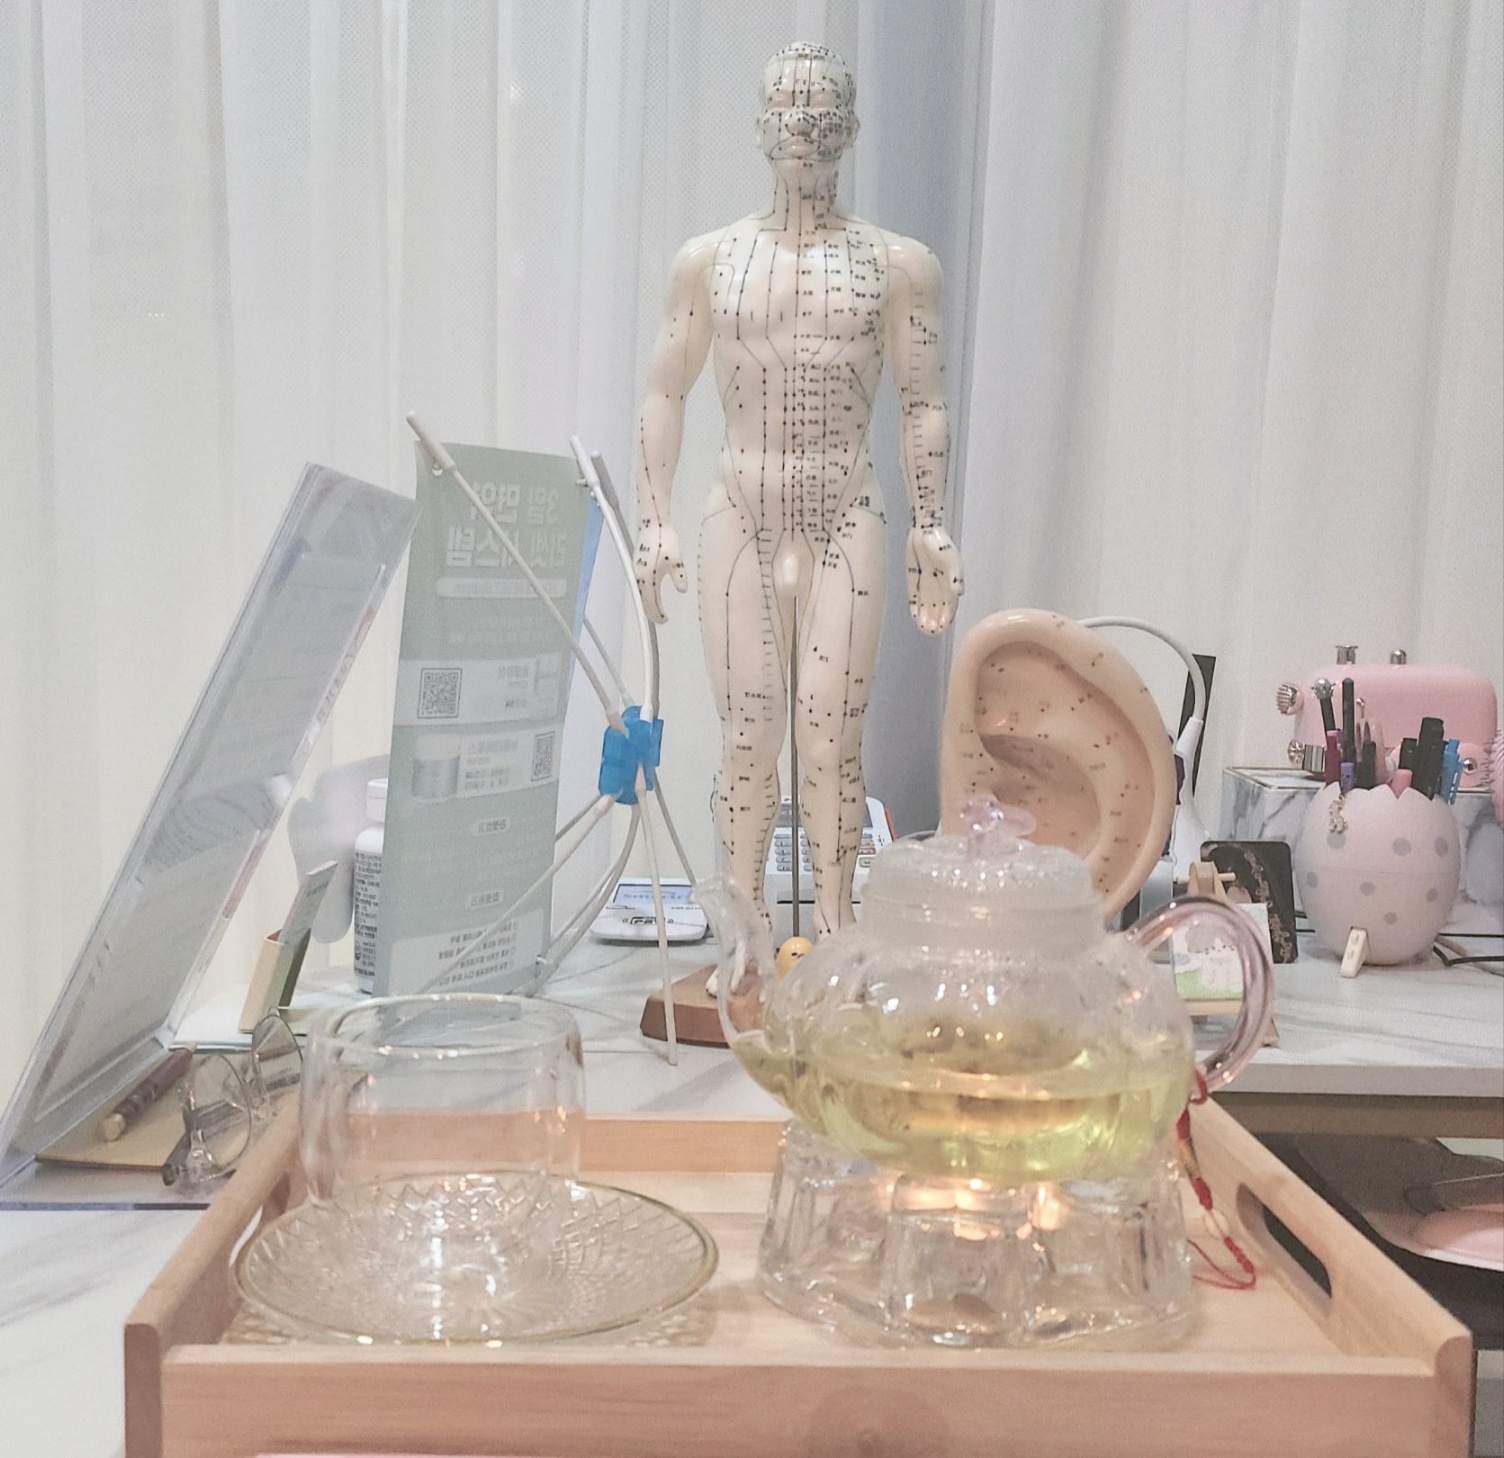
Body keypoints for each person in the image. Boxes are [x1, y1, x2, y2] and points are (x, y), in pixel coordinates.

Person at [634, 42, 963, 936]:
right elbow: (665, 389)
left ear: (850, 129)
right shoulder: (708, 260)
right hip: (739, 508)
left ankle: (837, 933)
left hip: (845, 509)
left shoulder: (900, 266)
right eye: (788, 110)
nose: (805, 128)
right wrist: (655, 519)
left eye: (822, 114)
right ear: (760, 125)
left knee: (829, 740)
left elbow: (924, 400)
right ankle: (742, 937)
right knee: (748, 737)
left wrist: (931, 525)